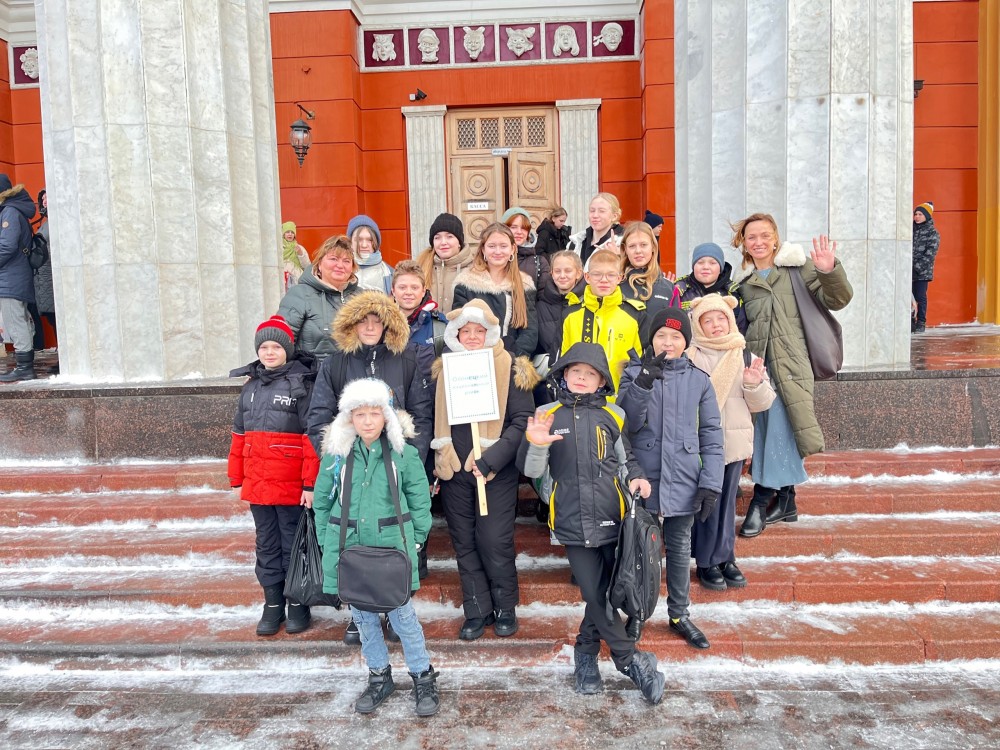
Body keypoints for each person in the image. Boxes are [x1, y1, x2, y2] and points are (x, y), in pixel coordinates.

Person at [518, 343, 665, 705]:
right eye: (575, 372)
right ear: (564, 375)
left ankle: (585, 655)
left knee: (608, 593)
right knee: (594, 593)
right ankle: (631, 662)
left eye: (590, 374)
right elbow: (533, 470)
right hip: (570, 520)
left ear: (601, 382)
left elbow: (626, 459)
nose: (582, 378)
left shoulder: (613, 415)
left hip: (613, 518)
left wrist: (637, 478)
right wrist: (537, 444)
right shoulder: (547, 414)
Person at [305, 290, 433, 645]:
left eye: (378, 321)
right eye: (364, 321)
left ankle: (393, 605)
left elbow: (422, 413)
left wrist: (410, 458)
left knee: (391, 533)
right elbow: (319, 414)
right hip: (352, 464)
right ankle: (361, 607)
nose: (371, 327)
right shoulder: (336, 363)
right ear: (353, 325)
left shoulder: (405, 360)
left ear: (388, 325)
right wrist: (334, 456)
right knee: (357, 536)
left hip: (393, 463)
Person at [311, 378, 439, 717]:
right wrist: (327, 539)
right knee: (364, 619)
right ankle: (379, 676)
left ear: (386, 417)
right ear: (349, 418)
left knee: (403, 617)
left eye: (374, 413)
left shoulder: (403, 454)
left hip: (392, 548)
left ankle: (422, 676)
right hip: (350, 550)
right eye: (360, 414)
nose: (367, 421)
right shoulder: (336, 457)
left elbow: (419, 500)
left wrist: (416, 538)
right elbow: (322, 501)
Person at [732, 213, 853, 538]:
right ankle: (787, 500)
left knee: (778, 429)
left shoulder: (797, 269)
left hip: (792, 366)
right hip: (759, 370)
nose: (758, 242)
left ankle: (760, 502)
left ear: (775, 238)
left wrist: (829, 270)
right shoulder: (743, 284)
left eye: (764, 235)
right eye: (751, 237)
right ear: (744, 243)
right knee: (771, 431)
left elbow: (838, 299)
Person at [430, 300, 538, 640]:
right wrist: (441, 458)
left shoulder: (511, 366)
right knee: (464, 542)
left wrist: (491, 460)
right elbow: (436, 419)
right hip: (455, 470)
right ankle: (477, 609)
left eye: (480, 330)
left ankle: (505, 606)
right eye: (466, 331)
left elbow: (522, 421)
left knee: (493, 540)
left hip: (494, 471)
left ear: (491, 332)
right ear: (456, 334)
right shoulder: (446, 369)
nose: (473, 336)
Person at [618, 307, 723, 649]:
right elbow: (626, 423)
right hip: (645, 476)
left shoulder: (699, 380)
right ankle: (637, 612)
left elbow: (711, 434)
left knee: (679, 548)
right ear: (651, 340)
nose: (668, 342)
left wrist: (711, 482)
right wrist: (643, 382)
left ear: (685, 342)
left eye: (676, 337)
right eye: (661, 335)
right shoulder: (633, 373)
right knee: (640, 548)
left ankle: (679, 614)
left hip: (684, 477)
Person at [227, 316, 319, 637]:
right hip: (258, 484)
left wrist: (310, 484)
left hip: (292, 486)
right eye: (264, 347)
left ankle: (297, 602)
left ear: (288, 350)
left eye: (276, 347)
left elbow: (311, 438)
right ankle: (273, 603)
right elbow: (239, 436)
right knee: (266, 544)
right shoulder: (250, 387)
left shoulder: (301, 385)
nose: (269, 352)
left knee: (292, 544)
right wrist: (236, 478)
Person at [685, 295, 775, 590]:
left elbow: (762, 403)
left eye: (721, 318)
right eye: (707, 320)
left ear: (730, 320)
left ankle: (725, 557)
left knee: (726, 505)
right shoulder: (690, 356)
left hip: (733, 443)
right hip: (700, 445)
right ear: (698, 325)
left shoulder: (744, 355)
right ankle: (706, 561)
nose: (716, 325)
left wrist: (753, 383)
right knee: (706, 504)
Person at [560, 248, 643, 395]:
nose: (604, 280)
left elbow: (638, 363)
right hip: (577, 400)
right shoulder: (571, 315)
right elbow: (562, 361)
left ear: (620, 278)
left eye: (611, 275)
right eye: (597, 274)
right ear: (587, 277)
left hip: (619, 399)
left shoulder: (633, 315)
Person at [452, 222, 538, 358]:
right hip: (475, 358)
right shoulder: (466, 284)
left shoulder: (524, 284)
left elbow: (529, 330)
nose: (498, 251)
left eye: (503, 246)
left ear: (513, 249)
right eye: (491, 246)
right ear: (483, 249)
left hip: (512, 359)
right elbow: (458, 327)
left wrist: (511, 358)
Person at [277, 234, 361, 361]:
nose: (340, 265)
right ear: (319, 264)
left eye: (346, 261)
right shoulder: (299, 294)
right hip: (312, 373)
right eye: (333, 259)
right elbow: (280, 342)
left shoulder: (363, 298)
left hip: (356, 373)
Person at [0, 174, 38, 382]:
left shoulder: (10, 212)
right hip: (14, 275)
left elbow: (6, 246)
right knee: (19, 319)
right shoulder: (12, 210)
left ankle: (24, 367)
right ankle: (24, 365)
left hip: (11, 277)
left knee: (15, 321)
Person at [391, 260, 447, 382]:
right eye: (402, 287)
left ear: (423, 291)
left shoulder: (440, 327)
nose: (408, 292)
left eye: (414, 287)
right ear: (393, 291)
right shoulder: (381, 326)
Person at [674, 242, 747, 332]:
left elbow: (741, 328)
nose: (706, 267)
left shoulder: (733, 292)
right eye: (700, 262)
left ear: (720, 268)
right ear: (693, 266)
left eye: (712, 263)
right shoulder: (679, 289)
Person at [618, 220, 677, 327]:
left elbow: (676, 328)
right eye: (632, 246)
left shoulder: (669, 288)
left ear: (653, 247)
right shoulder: (616, 285)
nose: (638, 251)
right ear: (625, 249)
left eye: (643, 245)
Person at [535, 250, 585, 367]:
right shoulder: (540, 307)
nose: (562, 276)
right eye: (557, 271)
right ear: (551, 273)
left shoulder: (589, 303)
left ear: (578, 273)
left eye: (568, 271)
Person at [416, 213, 474, 312]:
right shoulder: (420, 268)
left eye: (449, 236)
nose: (443, 242)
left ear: (459, 242)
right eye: (437, 238)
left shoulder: (474, 269)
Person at [29, 188, 56, 352]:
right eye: (43, 199)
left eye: (48, 198)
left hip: (50, 278)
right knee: (54, 320)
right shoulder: (46, 223)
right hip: (45, 280)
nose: (44, 202)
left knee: (58, 320)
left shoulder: (54, 223)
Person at [567, 192, 624, 267]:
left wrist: (618, 257)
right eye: (592, 211)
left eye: (602, 211)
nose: (595, 215)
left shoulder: (624, 243)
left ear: (614, 216)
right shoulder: (575, 242)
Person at [502, 206, 549, 292]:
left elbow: (544, 296)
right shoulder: (494, 258)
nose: (519, 232)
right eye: (513, 227)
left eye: (524, 228)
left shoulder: (540, 263)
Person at [912, 201, 940, 334]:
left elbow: (930, 253)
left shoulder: (932, 233)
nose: (917, 217)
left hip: (922, 272)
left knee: (920, 296)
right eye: (916, 214)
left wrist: (916, 267)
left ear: (927, 216)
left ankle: (921, 322)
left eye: (920, 214)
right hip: (908, 271)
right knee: (908, 297)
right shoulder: (910, 230)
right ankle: (910, 321)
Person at [348, 214, 394, 293]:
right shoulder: (339, 270)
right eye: (359, 240)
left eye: (370, 240)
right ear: (350, 242)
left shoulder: (390, 273)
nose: (364, 245)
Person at [281, 221, 310, 291]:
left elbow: (307, 266)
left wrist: (300, 254)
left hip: (297, 281)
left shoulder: (299, 248)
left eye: (292, 232)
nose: (290, 234)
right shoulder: (279, 248)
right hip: (282, 281)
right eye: (287, 232)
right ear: (283, 234)